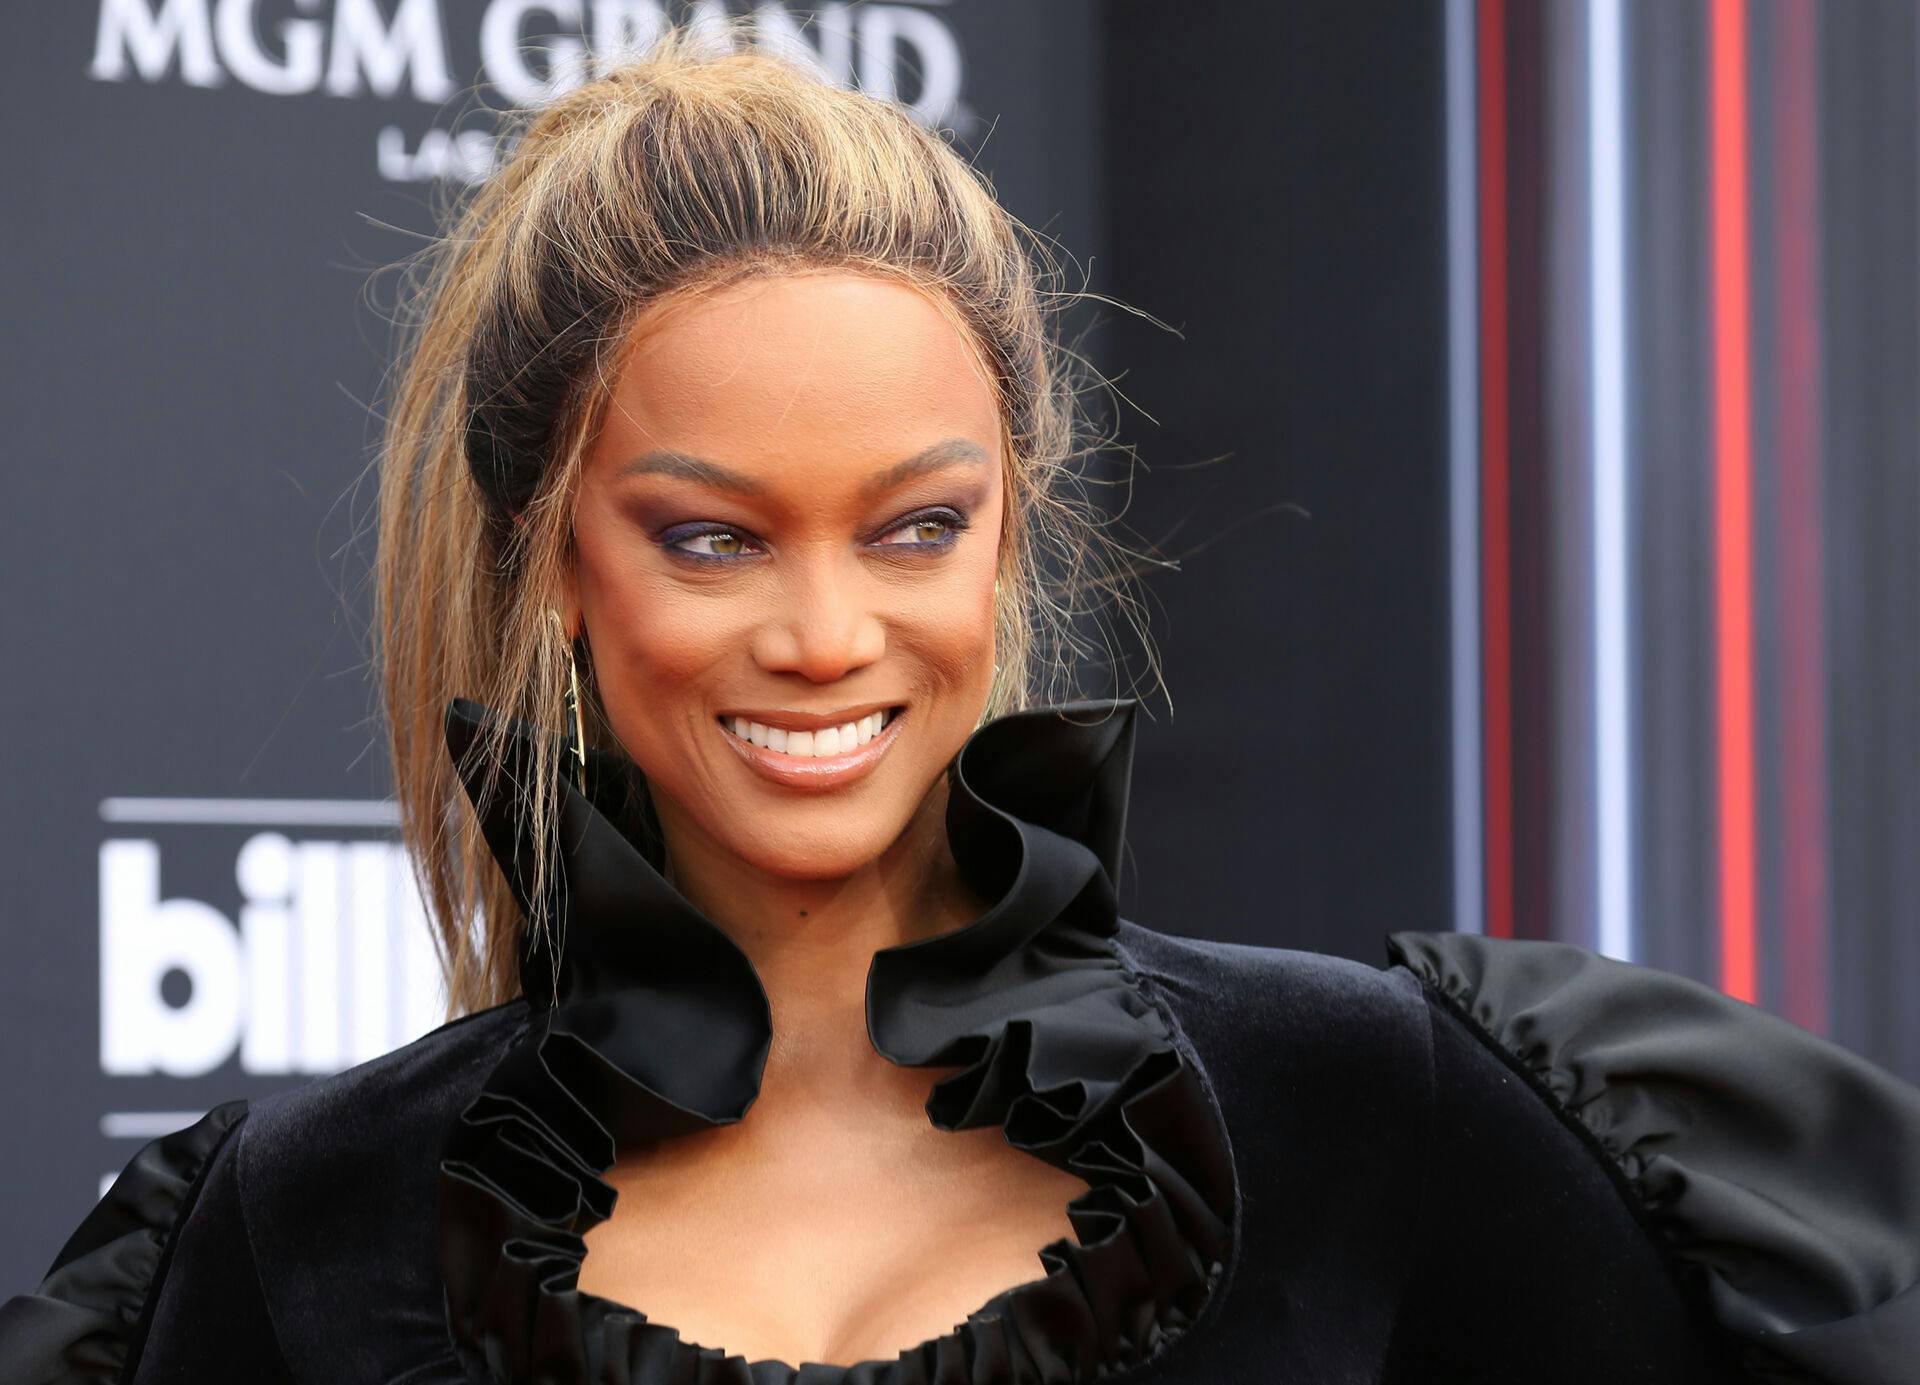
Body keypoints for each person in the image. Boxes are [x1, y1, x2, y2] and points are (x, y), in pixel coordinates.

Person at [3, 24, 1916, 1385]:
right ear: (557, 565)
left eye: (914, 526)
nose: (831, 633)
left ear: (1005, 543)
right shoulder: (296, 1228)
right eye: (715, 540)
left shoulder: (1375, 1116)